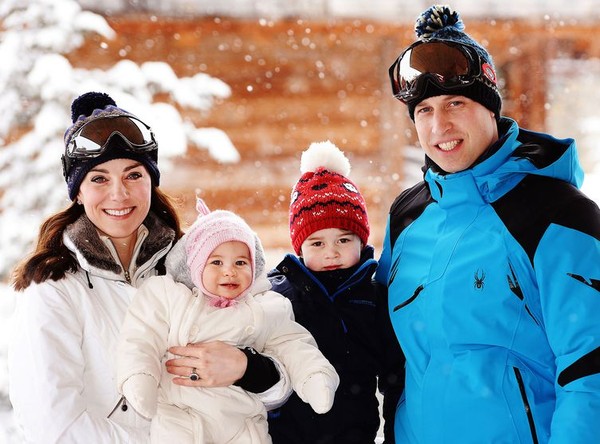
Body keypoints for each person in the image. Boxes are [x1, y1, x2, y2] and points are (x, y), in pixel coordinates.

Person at [375, 4, 600, 443]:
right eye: (424, 111)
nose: (440, 125)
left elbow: (590, 369)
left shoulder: (558, 216)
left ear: (490, 108)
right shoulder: (408, 216)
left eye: (456, 103)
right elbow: (387, 353)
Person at [8, 91, 286, 443]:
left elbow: (280, 377)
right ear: (77, 192)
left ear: (151, 181)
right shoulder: (55, 287)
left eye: (133, 175)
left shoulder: (194, 265)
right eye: (99, 178)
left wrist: (249, 369)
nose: (119, 194)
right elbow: (52, 424)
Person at [116, 198, 339, 443]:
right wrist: (140, 377)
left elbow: (294, 345)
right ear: (197, 266)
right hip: (181, 418)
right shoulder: (170, 296)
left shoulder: (265, 306)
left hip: (242, 423)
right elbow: (140, 337)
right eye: (217, 262)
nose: (229, 271)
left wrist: (313, 375)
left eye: (241, 262)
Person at [267, 140, 405, 444]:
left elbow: (395, 377)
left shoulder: (374, 298)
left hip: (354, 434)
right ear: (300, 248)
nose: (331, 253)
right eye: (317, 243)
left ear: (361, 240)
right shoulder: (277, 295)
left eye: (343, 240)